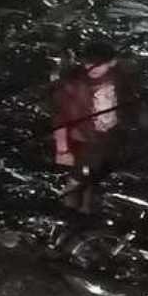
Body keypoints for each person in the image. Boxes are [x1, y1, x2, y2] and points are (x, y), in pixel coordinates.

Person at [52, 41, 141, 214]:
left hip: (110, 136)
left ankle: (87, 212)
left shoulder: (118, 76)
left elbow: (129, 97)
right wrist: (62, 150)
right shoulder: (72, 83)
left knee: (96, 178)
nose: (92, 68)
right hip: (84, 140)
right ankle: (66, 215)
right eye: (88, 62)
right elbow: (59, 118)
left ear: (112, 62)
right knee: (77, 179)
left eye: (99, 64)